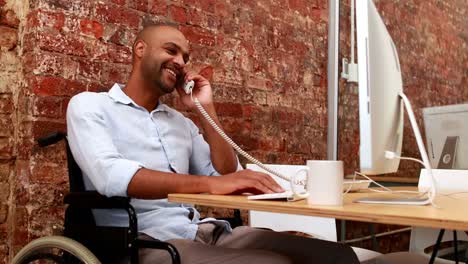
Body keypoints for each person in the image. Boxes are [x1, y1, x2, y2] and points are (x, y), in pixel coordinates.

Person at [66, 23, 360, 264]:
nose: (180, 62)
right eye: (171, 50)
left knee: (336, 256)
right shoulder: (90, 106)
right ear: (140, 49)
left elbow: (224, 174)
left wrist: (205, 108)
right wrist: (209, 185)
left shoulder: (180, 122)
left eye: (185, 57)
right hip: (143, 241)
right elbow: (110, 176)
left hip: (201, 230)